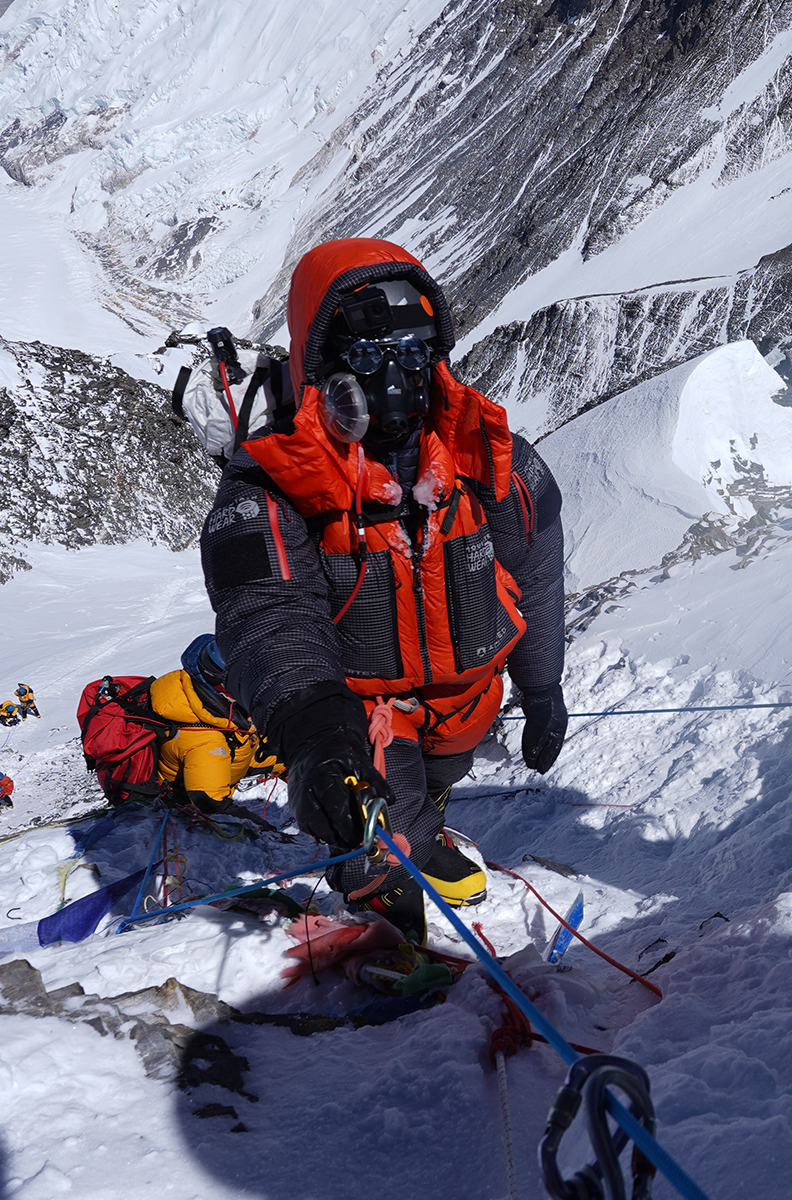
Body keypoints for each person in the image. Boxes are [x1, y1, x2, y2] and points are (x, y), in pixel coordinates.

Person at [199, 237, 567, 939]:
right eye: (367, 357)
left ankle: (424, 826)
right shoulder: (275, 483)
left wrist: (541, 683)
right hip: (363, 715)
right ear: (322, 364)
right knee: (376, 838)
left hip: (466, 697)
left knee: (435, 784)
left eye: (413, 352)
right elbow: (270, 613)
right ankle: (389, 913)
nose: (395, 377)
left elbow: (537, 565)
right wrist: (317, 734)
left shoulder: (488, 458)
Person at [150, 635, 279, 812]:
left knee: (292, 753)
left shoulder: (190, 688)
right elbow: (213, 805)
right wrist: (264, 828)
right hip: (194, 793)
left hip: (231, 758)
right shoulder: (207, 744)